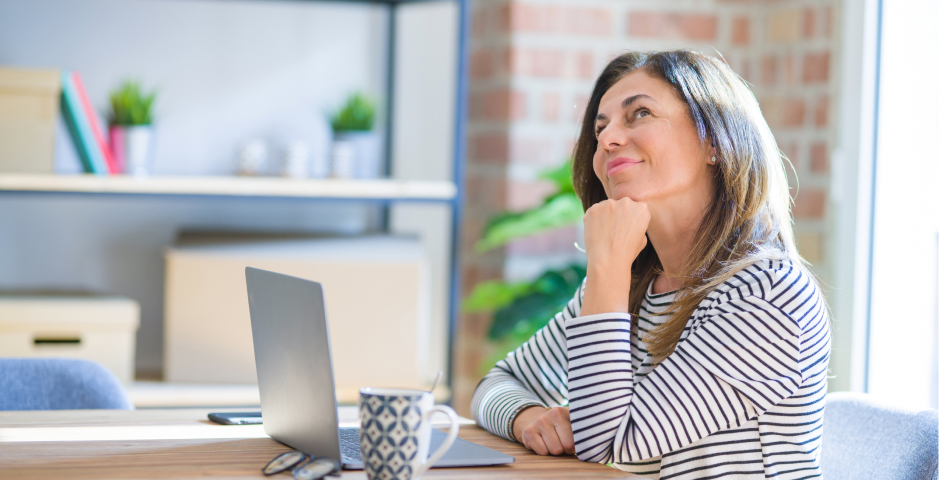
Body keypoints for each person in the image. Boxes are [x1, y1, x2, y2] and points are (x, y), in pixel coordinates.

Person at [471, 50, 831, 480]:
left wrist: (606, 268)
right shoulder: (634, 285)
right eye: (600, 128)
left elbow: (606, 442)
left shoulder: (768, 295)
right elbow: (499, 381)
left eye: (639, 113)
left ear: (715, 141)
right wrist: (527, 416)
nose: (607, 140)